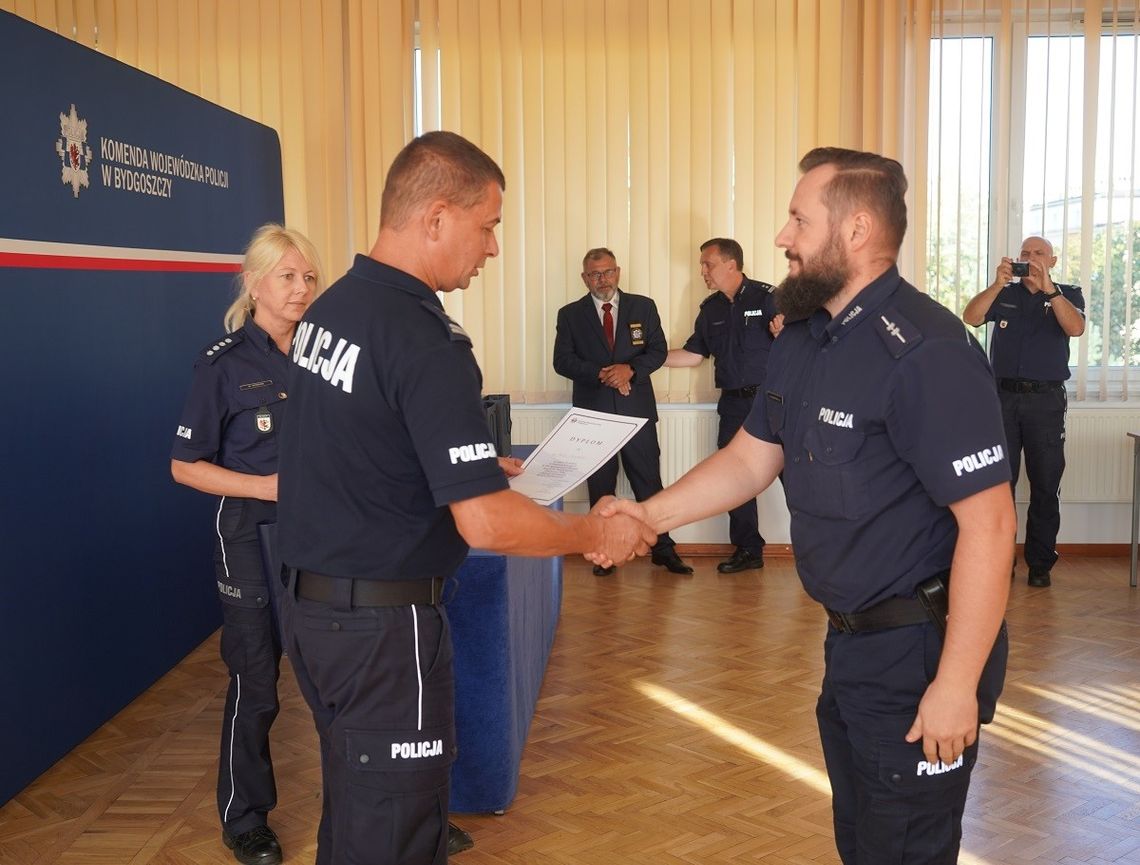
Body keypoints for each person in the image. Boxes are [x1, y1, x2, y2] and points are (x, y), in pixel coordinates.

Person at [599, 147, 1014, 865]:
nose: (781, 237)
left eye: (798, 219)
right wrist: (646, 517)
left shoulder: (926, 351)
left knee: (905, 849)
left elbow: (992, 523)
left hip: (921, 653)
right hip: (851, 646)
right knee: (863, 843)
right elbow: (750, 458)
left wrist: (955, 685)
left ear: (855, 231)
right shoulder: (805, 339)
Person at [274, 131, 655, 865]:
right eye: (489, 227)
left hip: (316, 611)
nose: (493, 249)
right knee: (398, 835)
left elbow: (356, 445)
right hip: (385, 632)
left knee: (355, 815)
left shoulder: (331, 312)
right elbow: (483, 522)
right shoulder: (426, 340)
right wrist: (592, 536)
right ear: (437, 217)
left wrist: (475, 464)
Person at [171, 224, 324, 865]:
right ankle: (246, 818)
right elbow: (185, 465)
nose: (300, 288)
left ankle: (380, 809)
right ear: (254, 283)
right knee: (257, 680)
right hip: (249, 540)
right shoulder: (223, 365)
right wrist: (263, 486)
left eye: (308, 277)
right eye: (287, 276)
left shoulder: (327, 356)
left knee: (335, 681)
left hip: (322, 538)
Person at [553, 248, 693, 576]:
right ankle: (604, 551)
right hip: (594, 412)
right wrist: (604, 373)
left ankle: (663, 549)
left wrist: (630, 369)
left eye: (608, 272)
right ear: (584, 278)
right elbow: (562, 361)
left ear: (618, 271)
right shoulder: (570, 314)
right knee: (601, 486)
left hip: (637, 410)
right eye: (595, 274)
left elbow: (657, 351)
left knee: (648, 483)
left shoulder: (643, 307)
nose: (602, 280)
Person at [962, 236, 1086, 588]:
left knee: (1046, 485)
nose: (1030, 259)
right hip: (1002, 400)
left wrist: (1050, 291)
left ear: (1053, 260)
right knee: (1001, 486)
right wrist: (996, 283)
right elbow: (972, 317)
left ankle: (1040, 564)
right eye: (1025, 254)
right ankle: (1001, 562)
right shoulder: (1005, 294)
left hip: (1046, 404)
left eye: (1038, 254)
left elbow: (1075, 328)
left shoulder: (1067, 294)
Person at [664, 238, 783, 573]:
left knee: (797, 476)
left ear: (732, 265)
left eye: (708, 264)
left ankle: (818, 552)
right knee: (735, 478)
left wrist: (785, 334)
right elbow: (694, 355)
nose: (703, 271)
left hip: (772, 401)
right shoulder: (711, 309)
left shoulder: (769, 298)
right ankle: (748, 550)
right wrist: (648, 358)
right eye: (702, 265)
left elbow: (799, 342)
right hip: (733, 404)